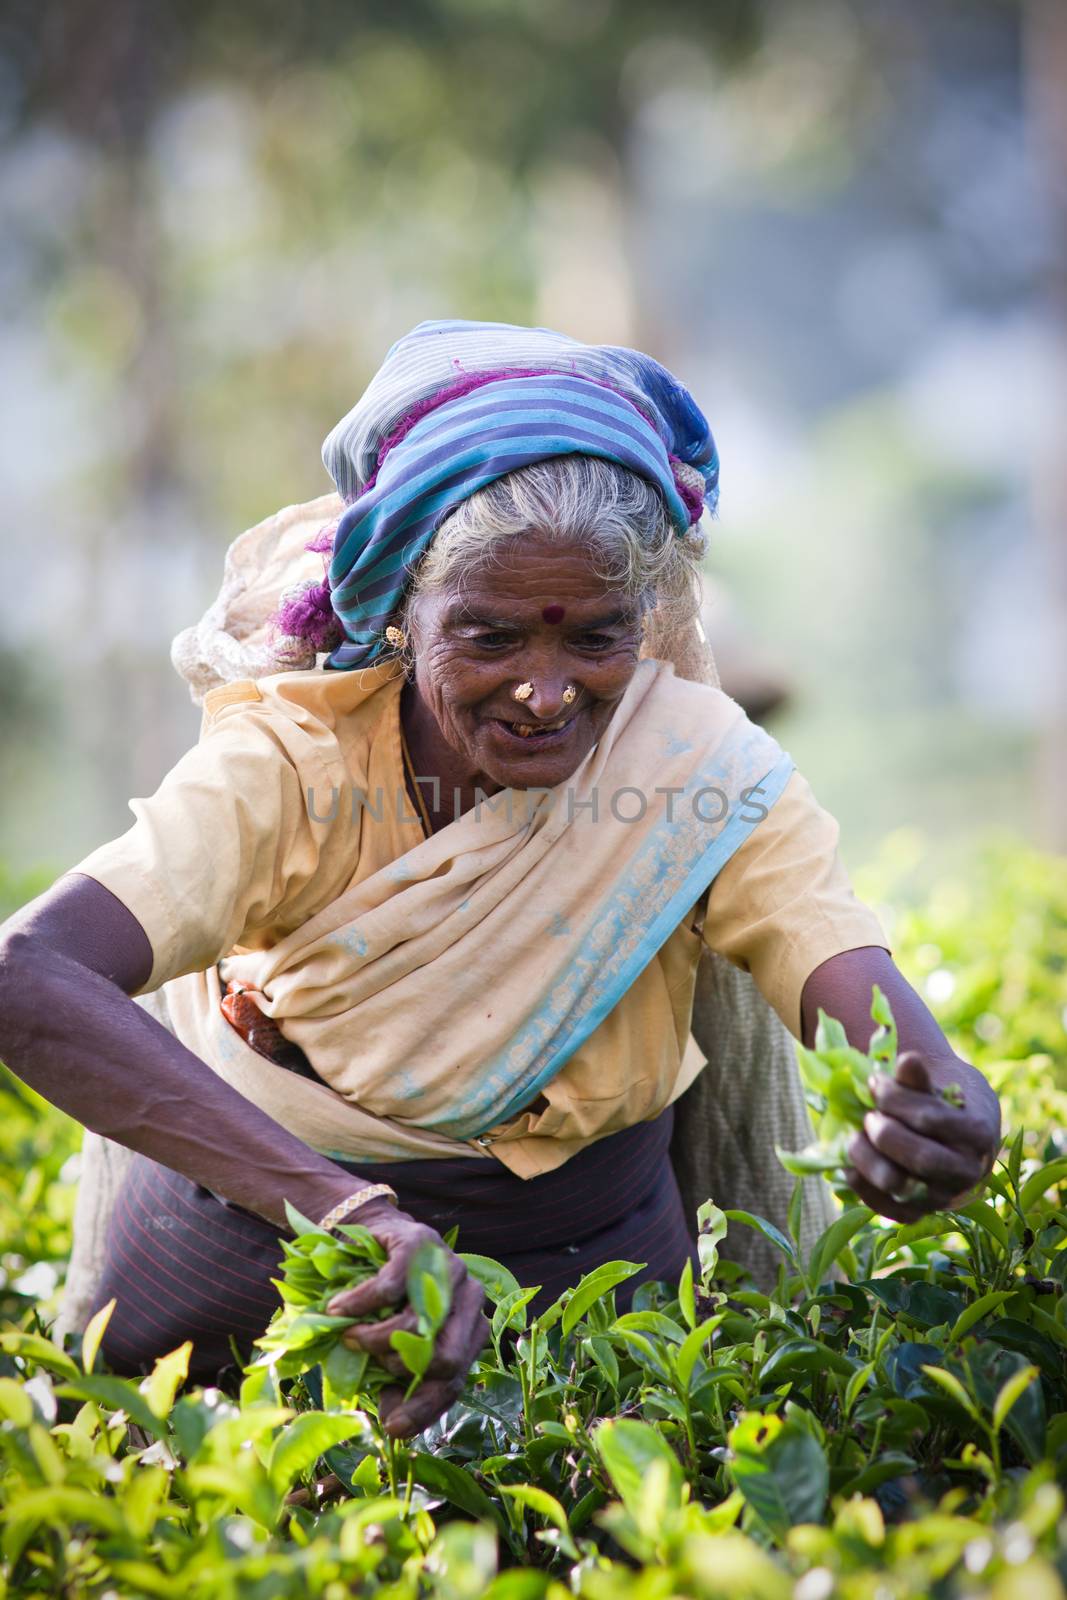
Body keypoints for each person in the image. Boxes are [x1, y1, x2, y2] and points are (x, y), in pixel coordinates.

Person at [0, 320, 1001, 1439]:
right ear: (398, 611)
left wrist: (938, 1108)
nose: (542, 690)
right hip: (256, 1263)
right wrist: (349, 1213)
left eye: (593, 639)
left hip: (591, 1283)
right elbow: (28, 974)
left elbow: (871, 1009)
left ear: (652, 621)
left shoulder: (701, 773)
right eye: (488, 637)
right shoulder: (288, 765)